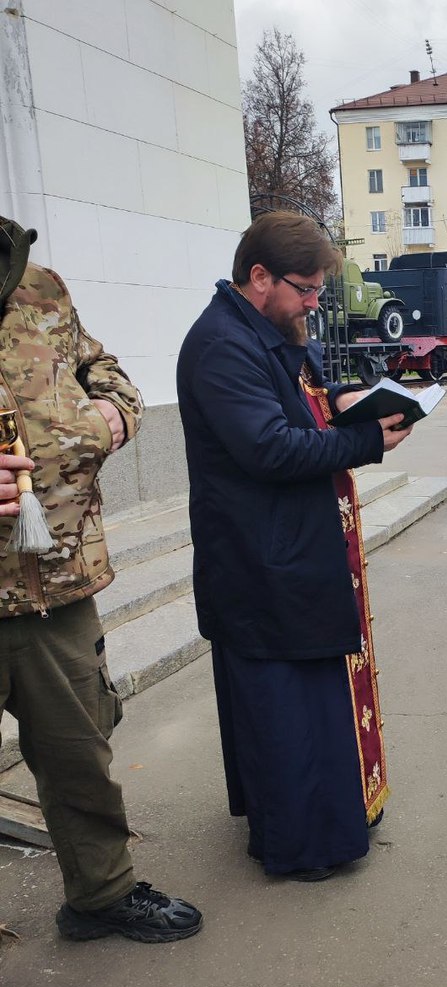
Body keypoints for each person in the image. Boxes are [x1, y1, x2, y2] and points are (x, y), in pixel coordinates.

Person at [176, 212, 411, 882]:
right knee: (284, 708)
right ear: (259, 277)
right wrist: (367, 442)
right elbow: (270, 446)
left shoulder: (265, 328)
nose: (313, 302)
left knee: (309, 697)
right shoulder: (222, 344)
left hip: (286, 548)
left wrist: (351, 399)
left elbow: (307, 393)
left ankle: (324, 818)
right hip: (257, 559)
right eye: (305, 289)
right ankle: (302, 844)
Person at [0, 215, 202, 942]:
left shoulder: (37, 286)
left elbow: (100, 369)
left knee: (80, 753)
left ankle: (101, 895)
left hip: (56, 582)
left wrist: (111, 418)